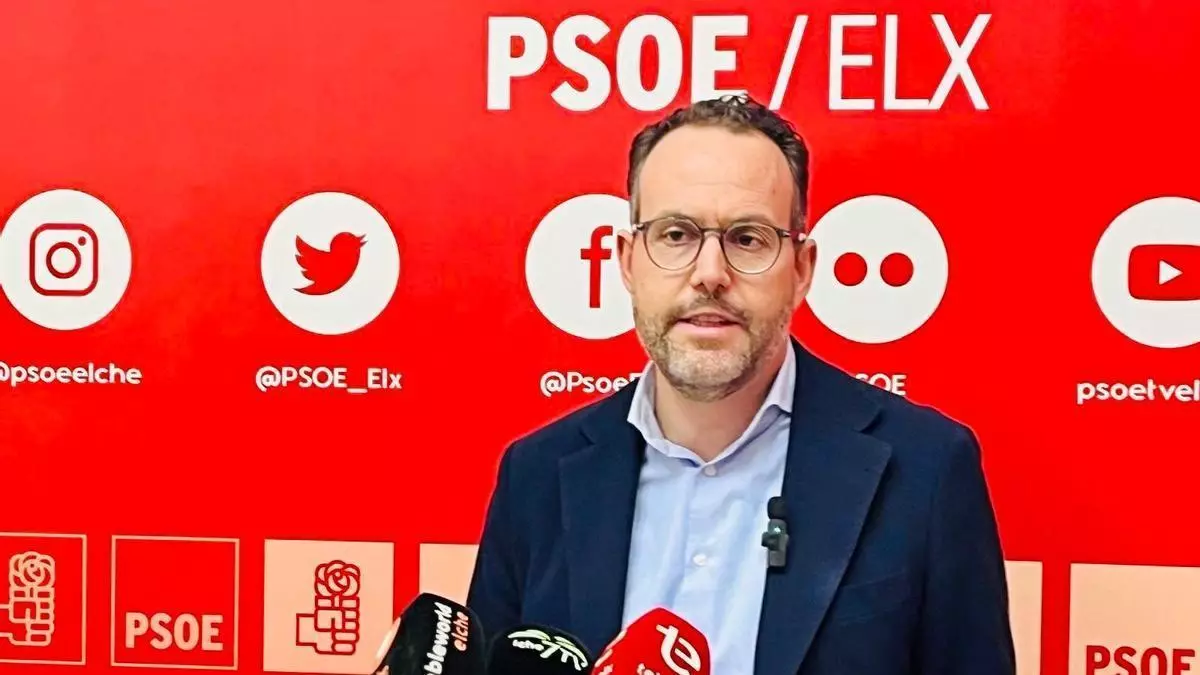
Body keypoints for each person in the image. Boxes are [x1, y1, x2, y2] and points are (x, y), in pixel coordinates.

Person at [467, 94, 1015, 675]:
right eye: (676, 234)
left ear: (801, 269)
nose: (710, 274)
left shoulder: (926, 471)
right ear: (627, 261)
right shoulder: (537, 476)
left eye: (748, 238)